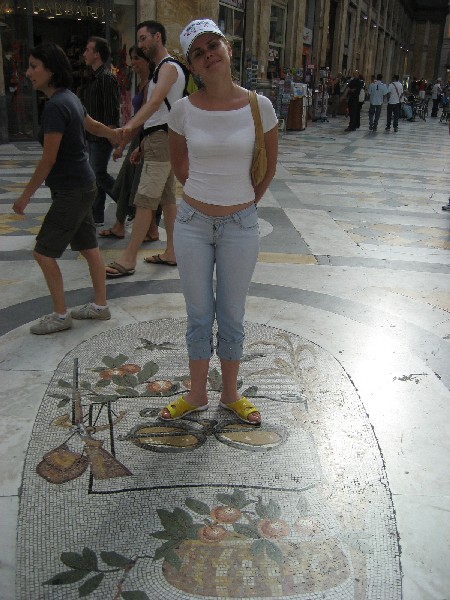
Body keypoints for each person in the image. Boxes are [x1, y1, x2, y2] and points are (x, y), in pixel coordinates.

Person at [158, 19, 278, 425]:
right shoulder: (183, 111)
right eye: (198, 53)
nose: (208, 55)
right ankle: (196, 394)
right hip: (192, 223)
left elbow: (268, 168)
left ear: (227, 48)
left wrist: (242, 204)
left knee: (231, 313)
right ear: (192, 66)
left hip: (240, 226)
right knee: (198, 313)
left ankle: (230, 394)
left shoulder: (260, 106)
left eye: (213, 46)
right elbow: (180, 168)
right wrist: (209, 198)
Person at [11, 42, 119, 335]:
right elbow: (93, 126)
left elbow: (49, 159)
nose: (28, 72)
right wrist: (115, 134)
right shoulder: (69, 98)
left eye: (34, 66)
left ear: (51, 70)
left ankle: (60, 316)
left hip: (72, 190)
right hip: (84, 185)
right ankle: (100, 306)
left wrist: (24, 197)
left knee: (43, 253)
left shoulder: (56, 106)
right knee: (89, 248)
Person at [105, 20, 185, 278]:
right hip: (158, 138)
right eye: (138, 40)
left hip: (161, 139)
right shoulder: (161, 68)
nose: (140, 45)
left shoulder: (168, 67)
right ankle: (172, 251)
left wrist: (128, 128)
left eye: (143, 39)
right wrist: (141, 143)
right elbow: (158, 112)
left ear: (157, 37)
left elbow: (153, 104)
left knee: (145, 199)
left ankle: (129, 259)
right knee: (167, 199)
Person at [99, 46, 159, 241]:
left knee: (140, 186)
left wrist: (123, 144)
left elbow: (142, 118)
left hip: (145, 139)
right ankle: (121, 225)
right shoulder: (141, 83)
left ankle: (150, 229)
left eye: (136, 58)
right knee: (128, 182)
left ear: (147, 61)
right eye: (131, 58)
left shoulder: (152, 84)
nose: (133, 63)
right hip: (138, 138)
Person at [81, 36, 120, 226]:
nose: (84, 54)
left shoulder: (106, 78)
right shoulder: (93, 77)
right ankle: (96, 216)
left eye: (88, 50)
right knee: (97, 175)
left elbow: (112, 110)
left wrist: (112, 136)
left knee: (98, 174)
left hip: (102, 136)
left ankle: (128, 204)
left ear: (97, 54)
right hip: (92, 136)